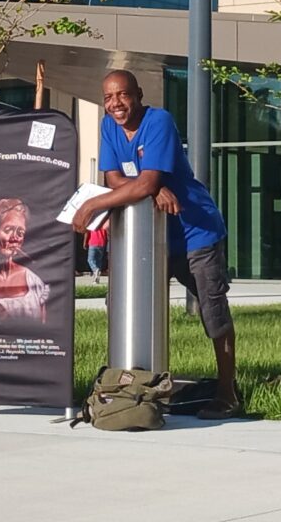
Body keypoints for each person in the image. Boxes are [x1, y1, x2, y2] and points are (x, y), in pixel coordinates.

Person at [73, 67, 238, 415]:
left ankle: (228, 395)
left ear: (138, 95)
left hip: (195, 233)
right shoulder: (109, 126)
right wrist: (153, 188)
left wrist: (93, 202)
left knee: (214, 315)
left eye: (123, 95)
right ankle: (134, 391)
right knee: (129, 308)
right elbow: (114, 176)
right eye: (108, 98)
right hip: (148, 239)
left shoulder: (159, 121)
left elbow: (137, 183)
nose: (116, 103)